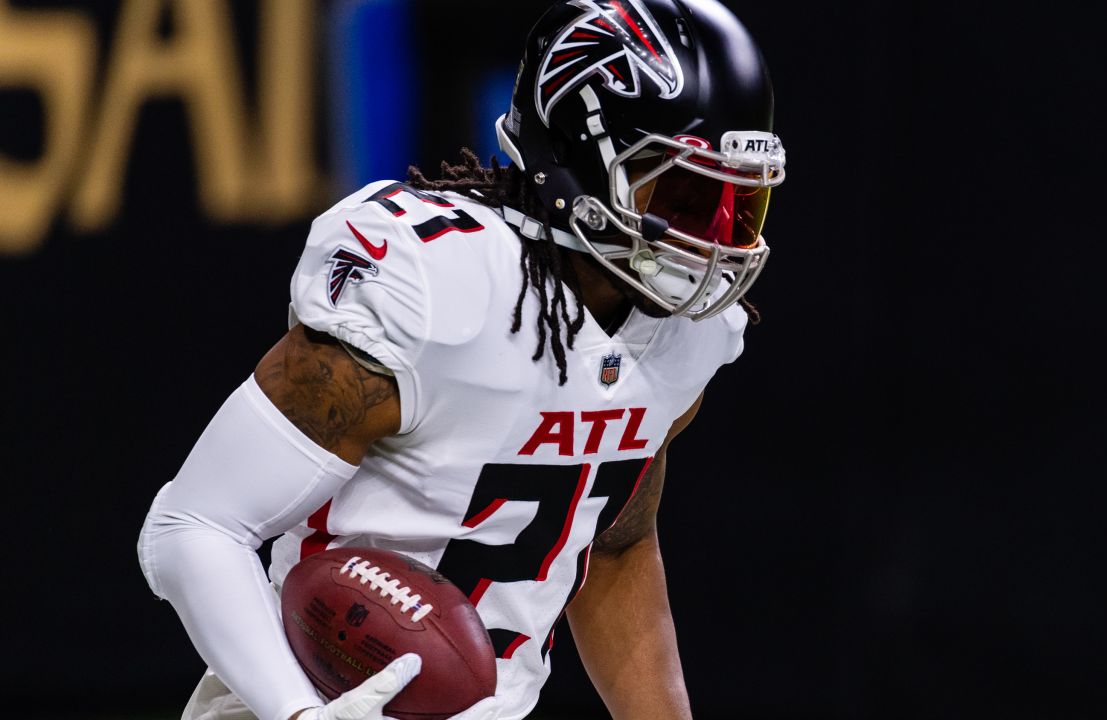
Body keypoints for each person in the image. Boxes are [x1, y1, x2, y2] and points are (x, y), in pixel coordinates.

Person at [136, 1, 786, 718]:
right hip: (299, 699)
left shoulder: (686, 337)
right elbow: (195, 526)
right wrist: (299, 713)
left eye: (741, 203)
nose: (717, 239)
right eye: (690, 197)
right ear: (580, 159)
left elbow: (613, 547)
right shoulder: (437, 287)